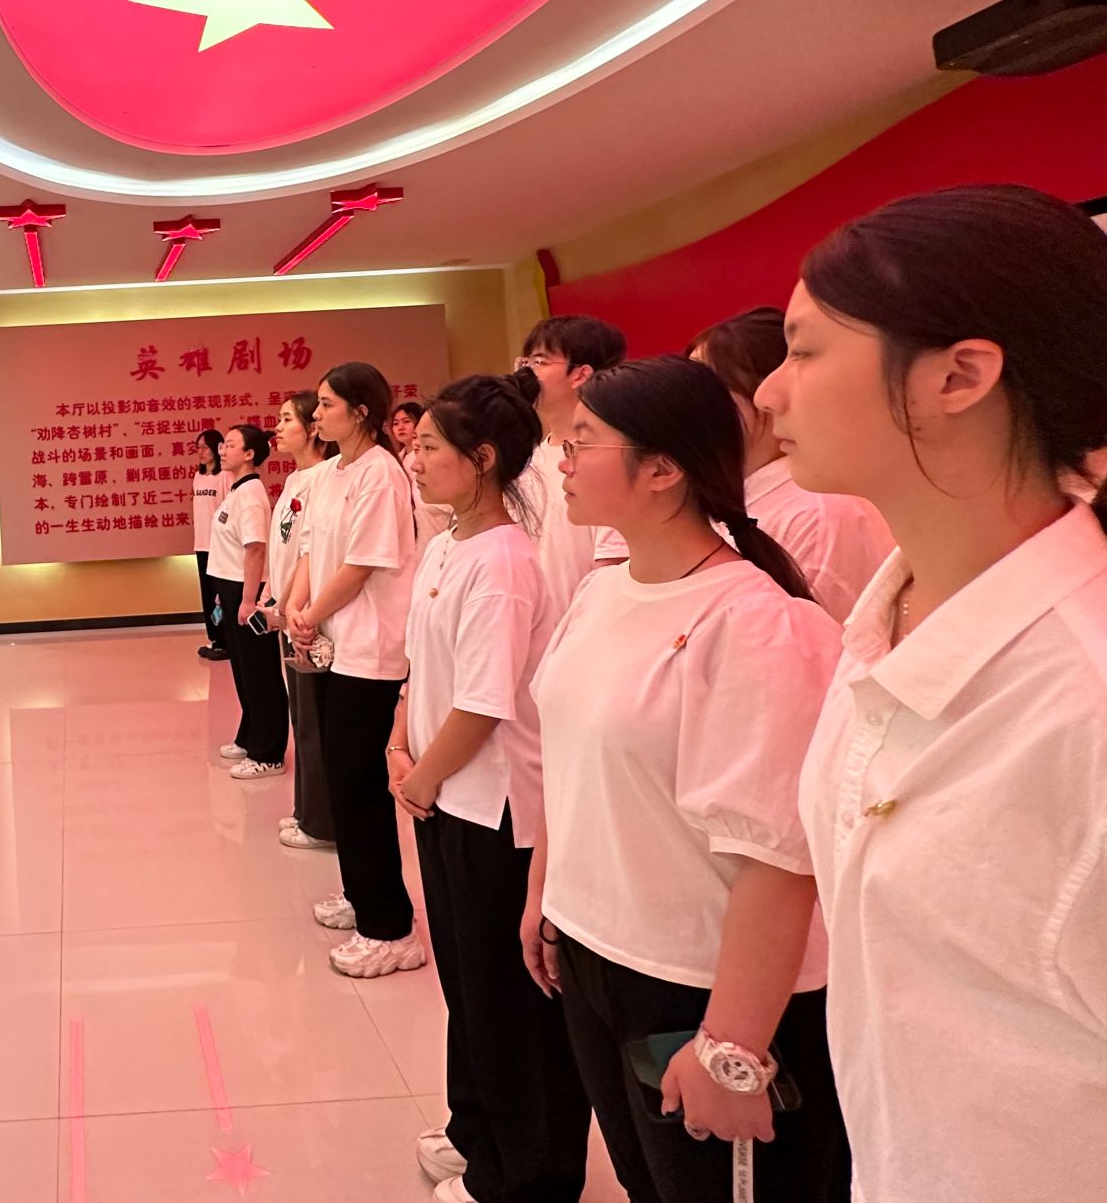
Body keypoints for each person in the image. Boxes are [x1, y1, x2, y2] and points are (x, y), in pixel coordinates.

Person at [752, 184, 1107, 1203]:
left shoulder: (1081, 698)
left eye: (803, 350)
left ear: (959, 375)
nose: (768, 393)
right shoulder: (888, 619)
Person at [521, 355, 851, 1202]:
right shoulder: (601, 593)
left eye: (582, 441)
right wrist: (547, 893)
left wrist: (731, 1046)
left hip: (700, 985)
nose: (561, 457)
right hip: (594, 951)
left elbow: (779, 859)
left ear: (663, 469)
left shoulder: (756, 625)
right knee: (647, 1181)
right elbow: (571, 758)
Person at [391, 376, 588, 1203]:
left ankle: (528, 1174)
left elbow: (483, 701)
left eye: (429, 447)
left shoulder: (504, 562)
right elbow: (423, 668)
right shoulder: (447, 543)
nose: (414, 459)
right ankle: (476, 1134)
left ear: (482, 460)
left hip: (493, 807)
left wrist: (421, 777)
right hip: (444, 793)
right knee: (467, 982)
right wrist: (400, 745)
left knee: (508, 997)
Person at [285, 362, 427, 979]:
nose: (317, 415)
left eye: (326, 404)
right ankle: (361, 891)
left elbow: (363, 563)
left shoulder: (380, 473)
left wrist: (312, 612)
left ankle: (390, 928)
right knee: (342, 781)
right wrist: (296, 606)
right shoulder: (331, 473)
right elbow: (312, 551)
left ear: (361, 411)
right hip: (334, 642)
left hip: (370, 652)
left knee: (359, 784)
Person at [689, 308, 894, 623]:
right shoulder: (721, 498)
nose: (686, 408)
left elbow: (828, 639)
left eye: (705, 392)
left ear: (769, 394)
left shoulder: (822, 512)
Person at [513, 316, 632, 613]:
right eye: (525, 362)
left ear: (580, 374)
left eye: (539, 362)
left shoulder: (607, 459)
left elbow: (613, 565)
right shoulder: (529, 459)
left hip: (584, 624)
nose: (525, 373)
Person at [267, 392, 338, 850]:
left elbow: (310, 555)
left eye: (287, 419)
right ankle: (305, 812)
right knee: (302, 717)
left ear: (313, 428)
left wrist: (292, 606)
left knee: (315, 721)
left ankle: (320, 823)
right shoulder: (295, 479)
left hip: (306, 614)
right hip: (289, 610)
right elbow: (286, 550)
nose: (278, 427)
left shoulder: (322, 479)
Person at [207, 424, 288, 779]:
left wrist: (248, 600)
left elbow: (255, 549)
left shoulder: (251, 493)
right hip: (232, 588)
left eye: (230, 444)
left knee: (260, 673)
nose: (222, 450)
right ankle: (249, 735)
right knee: (243, 670)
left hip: (248, 591)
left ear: (250, 454)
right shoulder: (237, 490)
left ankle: (269, 753)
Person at [191, 428, 230, 663]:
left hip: (219, 545)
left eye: (204, 447)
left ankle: (226, 640)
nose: (200, 451)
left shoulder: (224, 476)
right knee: (207, 594)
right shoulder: (198, 477)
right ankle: (214, 638)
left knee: (220, 594)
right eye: (197, 447)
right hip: (202, 544)